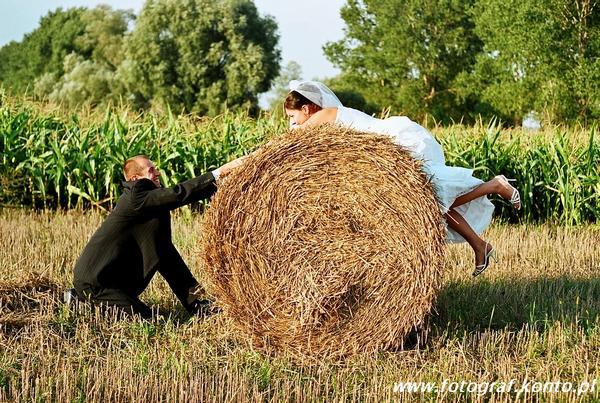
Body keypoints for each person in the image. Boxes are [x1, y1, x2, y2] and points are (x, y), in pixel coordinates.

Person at [283, 80, 520, 277]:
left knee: (430, 200)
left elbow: (294, 139)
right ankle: (480, 245)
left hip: (396, 144)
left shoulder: (324, 115)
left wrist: (252, 159)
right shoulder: (324, 119)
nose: (292, 124)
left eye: (293, 117)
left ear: (306, 109)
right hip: (384, 158)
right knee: (435, 203)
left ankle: (494, 186)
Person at [69, 155, 244, 318]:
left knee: (167, 259)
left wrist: (198, 304)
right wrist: (218, 173)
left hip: (112, 282)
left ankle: (80, 300)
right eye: (151, 170)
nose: (158, 172)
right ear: (136, 179)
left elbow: (170, 262)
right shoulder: (135, 196)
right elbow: (179, 194)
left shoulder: (149, 204)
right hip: (97, 282)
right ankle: (79, 301)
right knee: (147, 319)